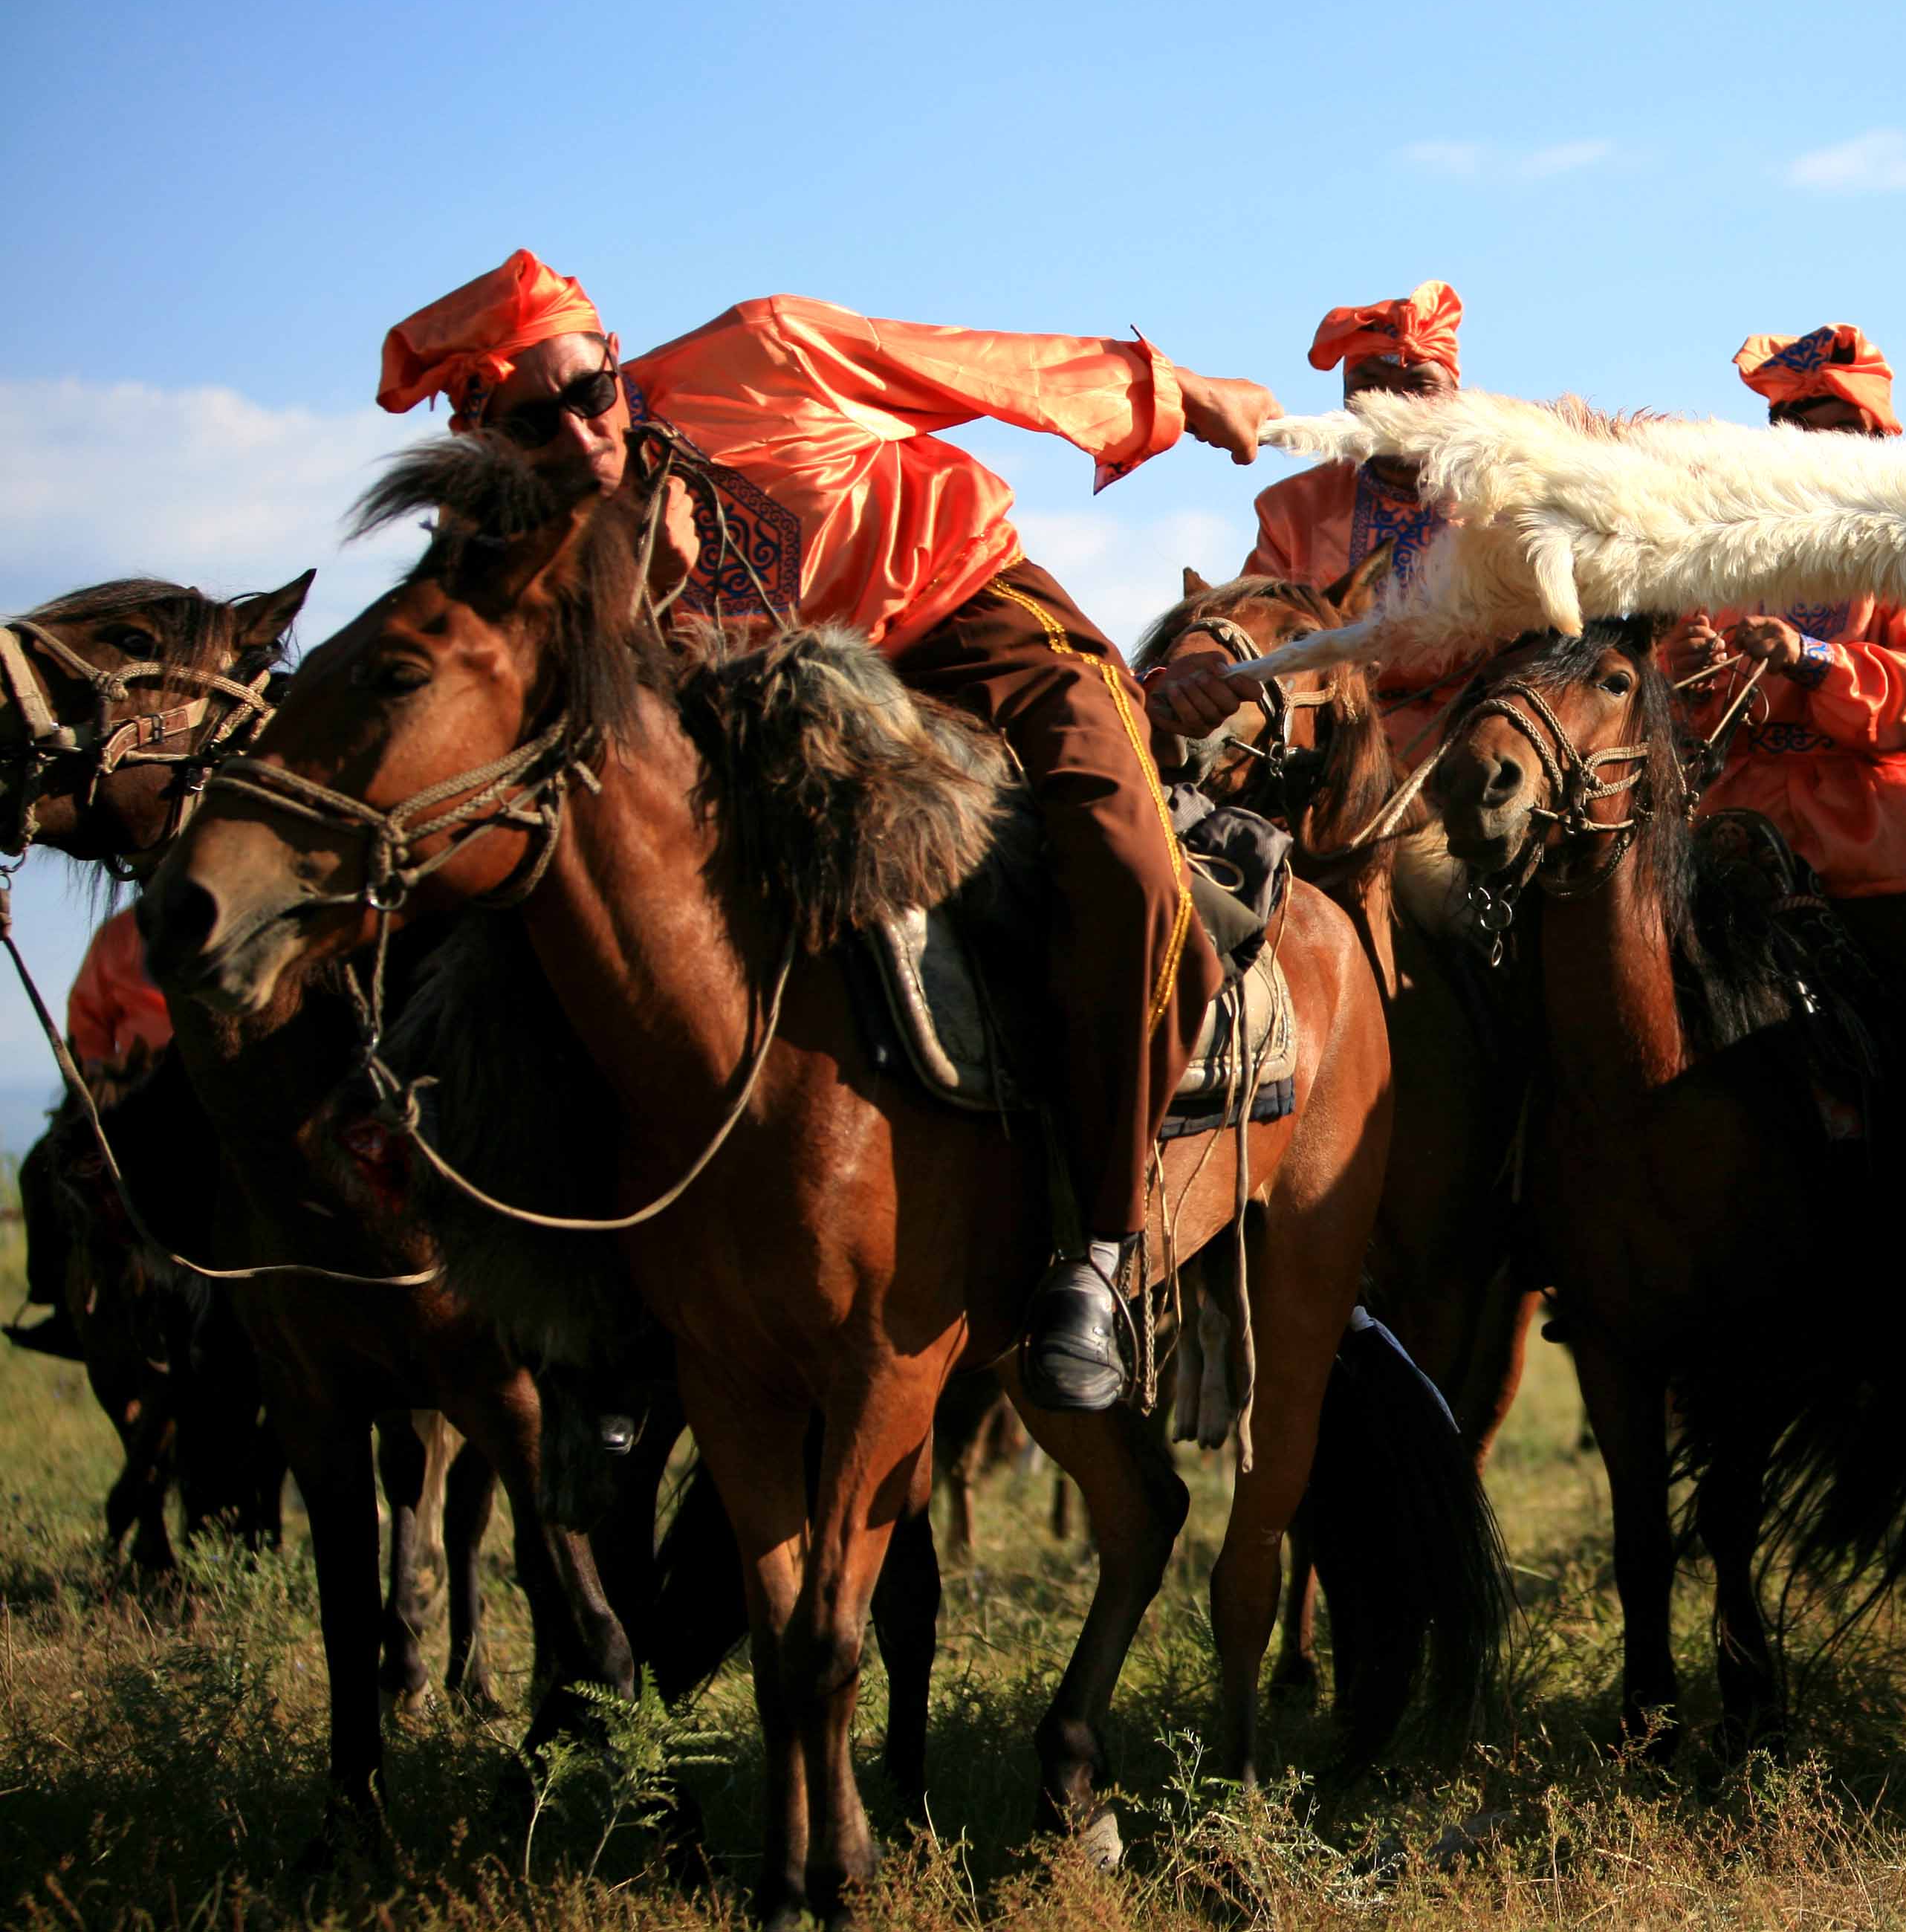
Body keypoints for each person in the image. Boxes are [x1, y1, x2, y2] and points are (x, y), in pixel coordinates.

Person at [377, 251, 1281, 1410]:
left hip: (961, 617)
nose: (582, 434)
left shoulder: (760, 349)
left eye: (588, 390)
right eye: (534, 422)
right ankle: (608, 1324)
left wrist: (1177, 392)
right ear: (495, 440)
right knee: (559, 947)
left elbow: (971, 368)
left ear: (613, 359)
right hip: (762, 728)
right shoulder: (524, 533)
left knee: (1123, 859)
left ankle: (1098, 1258)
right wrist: (641, 601)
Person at [1665, 324, 1906, 1020]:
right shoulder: (1724, 540)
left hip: (1869, 836)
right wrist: (1681, 670)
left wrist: (1813, 659)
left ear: (1874, 441)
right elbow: (1680, 707)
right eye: (1795, 433)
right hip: (1730, 823)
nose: (1815, 451)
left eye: (1838, 433)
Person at [1152, 282, 1466, 759]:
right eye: (1370, 387)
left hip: (1477, 745)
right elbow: (1258, 635)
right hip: (1327, 741)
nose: (1395, 406)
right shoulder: (1291, 507)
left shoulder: (1510, 504)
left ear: (1456, 395)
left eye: (1420, 387)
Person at [2, 906, 171, 1359]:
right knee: (43, 1167)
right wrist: (96, 1069)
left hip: (212, 1084)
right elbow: (88, 1011)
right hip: (129, 1089)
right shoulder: (122, 932)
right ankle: (59, 1305)